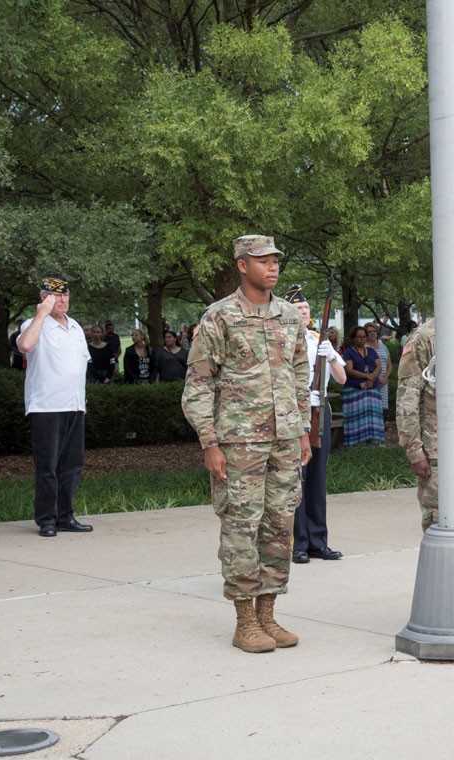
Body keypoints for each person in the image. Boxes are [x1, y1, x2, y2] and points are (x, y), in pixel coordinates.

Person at [182, 234, 311, 654]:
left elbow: (299, 376)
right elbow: (198, 385)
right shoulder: (219, 317)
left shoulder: (290, 317)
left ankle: (268, 614)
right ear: (242, 265)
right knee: (241, 525)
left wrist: (303, 429)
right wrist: (209, 442)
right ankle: (244, 621)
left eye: (275, 261)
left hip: (284, 440)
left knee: (280, 525)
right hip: (239, 442)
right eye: (262, 261)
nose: (272, 268)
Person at [396, 316, 454, 531]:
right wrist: (415, 452)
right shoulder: (424, 338)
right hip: (437, 449)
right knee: (440, 520)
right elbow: (407, 401)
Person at [16, 275, 93, 537]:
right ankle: (46, 519)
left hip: (73, 405)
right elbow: (25, 345)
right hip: (46, 407)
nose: (62, 300)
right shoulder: (33, 324)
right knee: (47, 466)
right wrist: (41, 314)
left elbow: (79, 368)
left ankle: (65, 516)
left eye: (65, 295)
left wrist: (81, 402)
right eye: (55, 295)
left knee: (71, 465)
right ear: (43, 298)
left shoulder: (76, 327)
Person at [282, 285, 347, 564]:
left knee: (317, 480)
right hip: (297, 410)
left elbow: (342, 378)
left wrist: (331, 356)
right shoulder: (282, 340)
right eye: (298, 309)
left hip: (321, 409)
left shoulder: (317, 339)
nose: (305, 313)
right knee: (299, 478)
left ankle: (318, 541)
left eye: (306, 309)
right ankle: (298, 542)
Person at [341, 326, 385, 446]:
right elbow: (349, 370)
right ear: (354, 339)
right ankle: (357, 444)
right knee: (358, 417)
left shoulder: (371, 351)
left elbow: (379, 366)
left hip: (372, 388)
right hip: (354, 389)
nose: (362, 339)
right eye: (359, 337)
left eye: (364, 337)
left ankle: (375, 441)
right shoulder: (348, 352)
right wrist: (366, 377)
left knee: (373, 414)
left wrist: (372, 377)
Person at [364, 322, 393, 417]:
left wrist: (385, 378)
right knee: (372, 410)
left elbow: (389, 365)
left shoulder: (383, 345)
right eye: (369, 332)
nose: (372, 333)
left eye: (374, 331)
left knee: (382, 410)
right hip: (370, 382)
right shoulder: (364, 347)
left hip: (383, 383)